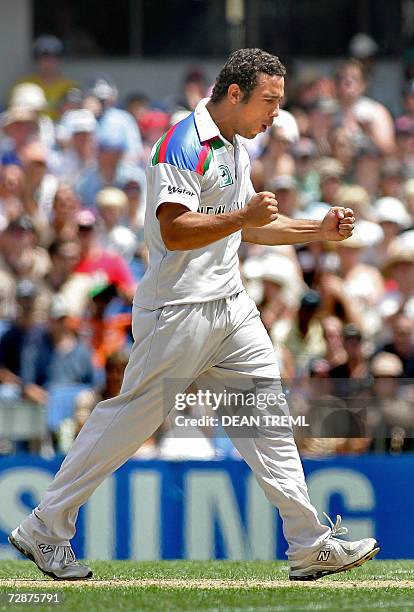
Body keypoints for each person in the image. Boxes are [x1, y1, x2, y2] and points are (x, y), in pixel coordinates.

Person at [9, 48, 378, 582]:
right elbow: (175, 229)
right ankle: (46, 527)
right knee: (131, 418)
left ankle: (310, 543)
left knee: (267, 419)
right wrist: (242, 215)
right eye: (269, 102)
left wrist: (314, 230)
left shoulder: (235, 148)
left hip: (230, 306)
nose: (274, 114)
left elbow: (249, 227)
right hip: (178, 309)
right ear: (235, 93)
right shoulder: (180, 144)